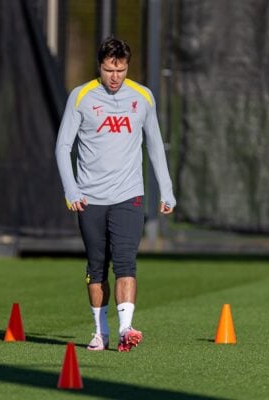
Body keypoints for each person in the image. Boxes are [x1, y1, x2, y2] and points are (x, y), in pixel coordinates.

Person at [55, 37, 176, 352]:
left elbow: (155, 146)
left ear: (127, 67)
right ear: (100, 66)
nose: (115, 77)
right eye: (109, 69)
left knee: (126, 262)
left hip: (128, 195)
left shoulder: (143, 97)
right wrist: (71, 189)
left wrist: (167, 189)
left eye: (120, 70)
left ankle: (126, 329)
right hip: (89, 198)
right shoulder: (80, 96)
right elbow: (63, 146)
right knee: (97, 267)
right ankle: (101, 331)